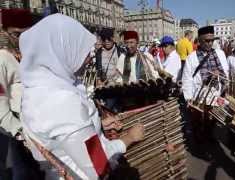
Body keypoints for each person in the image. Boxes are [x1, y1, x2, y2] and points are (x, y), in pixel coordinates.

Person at [19, 14, 144, 179]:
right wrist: (128, 138)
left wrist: (97, 123)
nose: (90, 57)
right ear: (63, 51)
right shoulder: (60, 100)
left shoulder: (37, 88)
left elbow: (66, 138)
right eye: (83, 51)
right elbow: (97, 164)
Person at [0, 8, 42, 180]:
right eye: (16, 34)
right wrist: (18, 131)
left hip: (37, 127)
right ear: (4, 31)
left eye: (27, 34)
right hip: (14, 134)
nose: (21, 40)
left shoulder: (29, 56)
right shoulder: (2, 58)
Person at [182, 26, 229, 102]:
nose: (210, 43)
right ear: (199, 41)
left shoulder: (220, 53)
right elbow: (187, 79)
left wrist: (219, 74)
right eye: (207, 41)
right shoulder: (191, 57)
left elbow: (226, 73)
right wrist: (188, 98)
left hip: (218, 96)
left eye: (212, 40)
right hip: (199, 97)